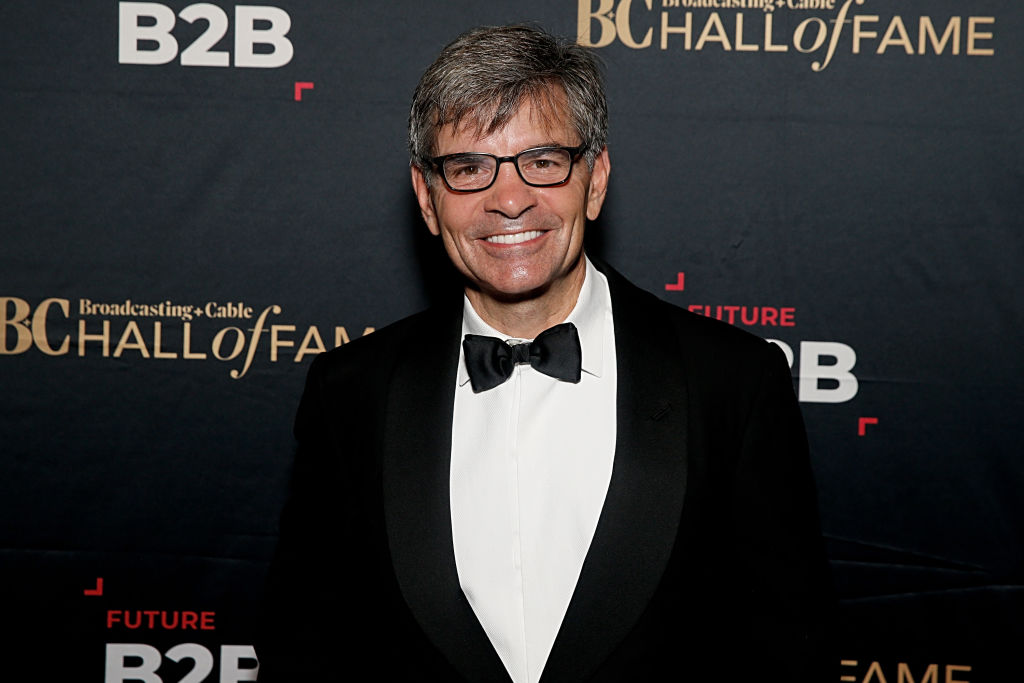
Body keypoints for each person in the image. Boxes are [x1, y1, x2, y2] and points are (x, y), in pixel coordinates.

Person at [257, 24, 831, 683]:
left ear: (595, 178)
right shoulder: (350, 392)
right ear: (427, 198)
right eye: (468, 167)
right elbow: (305, 649)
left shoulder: (733, 382)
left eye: (543, 160)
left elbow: (791, 651)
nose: (508, 199)